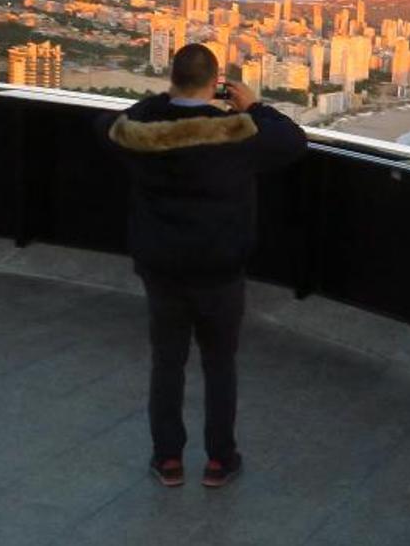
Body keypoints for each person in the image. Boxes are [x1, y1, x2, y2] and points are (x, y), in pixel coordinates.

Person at [95, 44, 307, 488]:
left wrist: (159, 101)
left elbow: (106, 124)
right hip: (220, 269)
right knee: (219, 364)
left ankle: (167, 459)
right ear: (216, 84)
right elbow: (292, 141)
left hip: (161, 268)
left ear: (172, 79)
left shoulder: (139, 134)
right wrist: (256, 105)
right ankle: (219, 460)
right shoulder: (237, 131)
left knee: (166, 363)